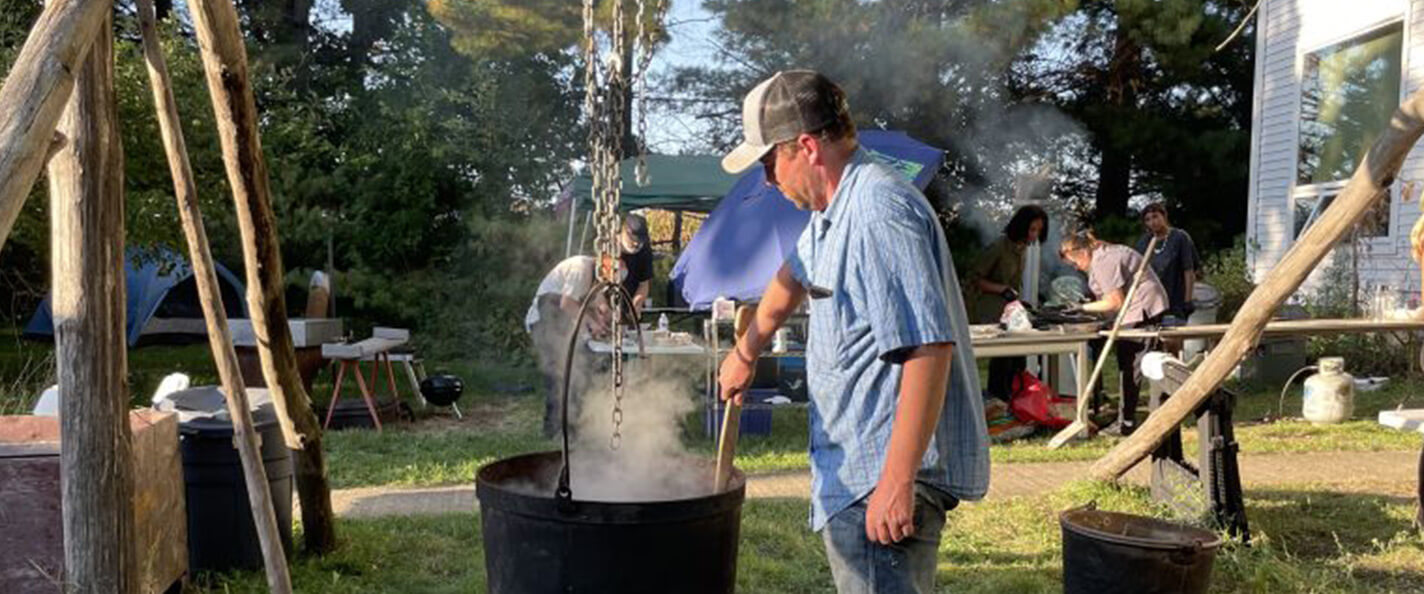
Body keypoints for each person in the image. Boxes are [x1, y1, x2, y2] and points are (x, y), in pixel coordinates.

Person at [717, 70, 988, 593]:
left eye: (769, 164)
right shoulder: (831, 212)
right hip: (856, 476)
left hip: (878, 482)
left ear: (805, 147)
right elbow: (791, 277)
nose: (768, 182)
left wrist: (896, 480)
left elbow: (928, 350)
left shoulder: (877, 211)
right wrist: (746, 350)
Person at [1058, 230, 1170, 437]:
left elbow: (1114, 302)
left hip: (1142, 310)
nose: (1076, 268)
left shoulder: (1103, 261)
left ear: (1082, 252)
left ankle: (1126, 423)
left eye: (1075, 263)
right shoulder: (1103, 252)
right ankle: (1129, 417)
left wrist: (1081, 309)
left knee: (1130, 368)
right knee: (1131, 365)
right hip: (1139, 308)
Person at [525, 255, 618, 438]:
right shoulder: (581, 268)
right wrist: (592, 324)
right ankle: (553, 429)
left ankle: (573, 425)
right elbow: (567, 303)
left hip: (563, 324)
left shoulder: (598, 278)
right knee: (557, 374)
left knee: (577, 372)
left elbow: (598, 305)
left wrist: (604, 317)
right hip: (546, 320)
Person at [968, 204, 1049, 400]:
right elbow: (974, 278)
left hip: (1008, 309)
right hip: (988, 309)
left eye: (1039, 230)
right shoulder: (999, 246)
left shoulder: (1022, 249)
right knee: (1003, 358)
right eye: (1032, 229)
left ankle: (1013, 401)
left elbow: (1014, 284)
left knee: (1016, 358)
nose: (1035, 235)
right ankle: (999, 401)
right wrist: (1001, 289)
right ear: (1021, 226)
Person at [1134, 203, 1202, 322]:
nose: (1152, 222)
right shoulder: (1144, 242)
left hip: (1175, 300)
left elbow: (1189, 270)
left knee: (1172, 337)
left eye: (1155, 216)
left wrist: (1187, 300)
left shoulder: (1179, 237)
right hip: (1152, 303)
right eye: (1148, 219)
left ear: (1164, 216)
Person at [619, 213, 654, 316]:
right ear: (624, 232)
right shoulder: (608, 246)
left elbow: (644, 283)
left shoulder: (644, 250)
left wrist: (636, 304)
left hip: (630, 298)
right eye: (633, 240)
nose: (636, 244)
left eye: (639, 241)